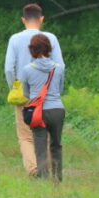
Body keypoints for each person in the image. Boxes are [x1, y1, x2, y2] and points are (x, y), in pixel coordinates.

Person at [4, 3, 63, 176]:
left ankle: (33, 168)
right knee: (44, 133)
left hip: (24, 94)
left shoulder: (14, 39)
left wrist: (14, 87)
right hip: (46, 93)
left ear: (23, 20)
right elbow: (60, 65)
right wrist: (56, 89)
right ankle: (46, 168)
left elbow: (9, 68)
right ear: (41, 19)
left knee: (25, 135)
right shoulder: (50, 37)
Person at [19, 33, 65, 182]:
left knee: (40, 146)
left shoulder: (26, 70)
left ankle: (44, 179)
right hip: (57, 110)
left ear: (32, 49)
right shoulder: (58, 68)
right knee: (56, 144)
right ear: (48, 48)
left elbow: (26, 93)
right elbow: (60, 88)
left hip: (38, 112)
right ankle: (57, 178)